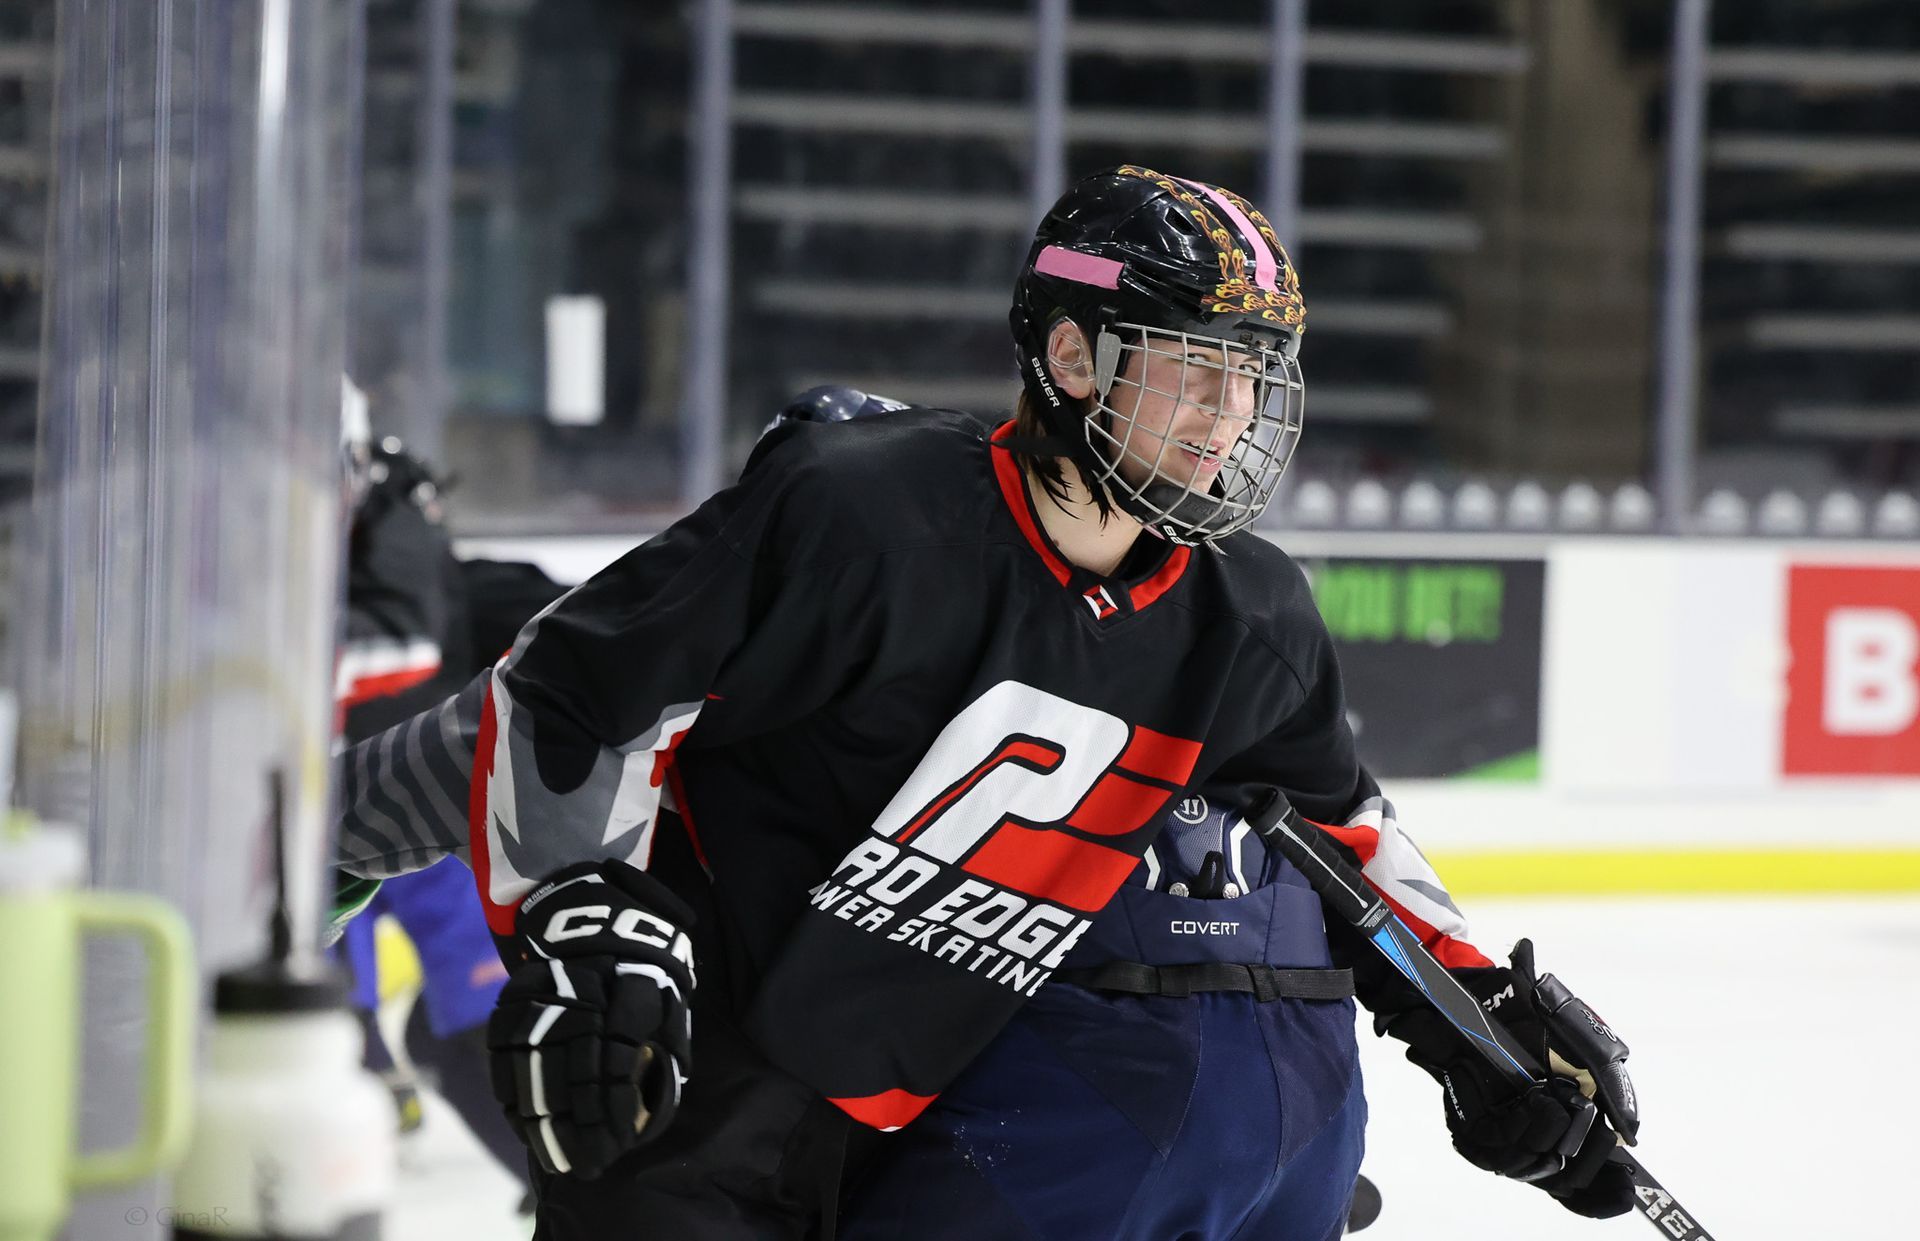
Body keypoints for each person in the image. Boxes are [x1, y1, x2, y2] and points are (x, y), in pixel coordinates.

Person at [332, 165, 1642, 1239]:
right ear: (1073, 354)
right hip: (698, 1083)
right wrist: (585, 911)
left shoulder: (1253, 616)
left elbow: (1345, 840)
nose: (1229, 415)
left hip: (930, 1106)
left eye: (1253, 376)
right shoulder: (863, 513)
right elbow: (568, 695)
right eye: (1194, 368)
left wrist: (1480, 1029)